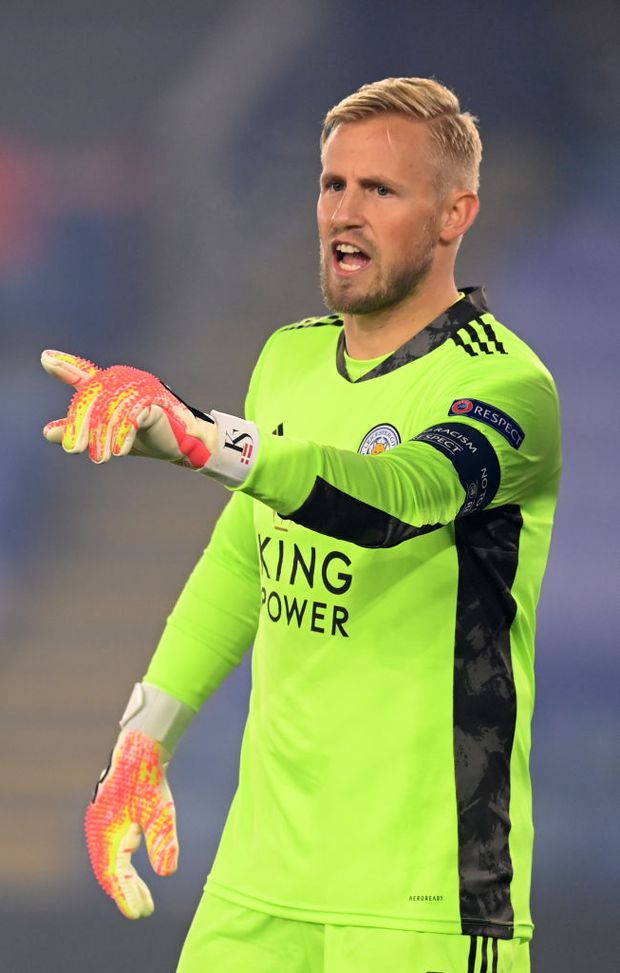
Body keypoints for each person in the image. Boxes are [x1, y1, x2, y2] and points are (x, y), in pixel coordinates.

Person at [41, 77, 561, 973]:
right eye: (333, 185)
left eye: (381, 190)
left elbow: (394, 497)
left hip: (426, 899)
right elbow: (245, 560)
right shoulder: (287, 357)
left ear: (453, 214)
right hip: (263, 877)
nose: (343, 213)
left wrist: (209, 440)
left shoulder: (509, 390)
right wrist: (141, 742)